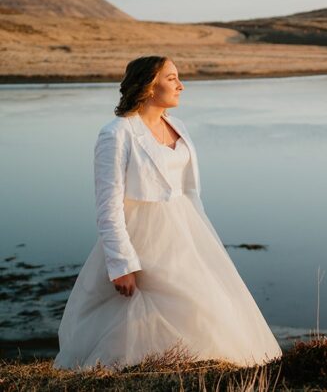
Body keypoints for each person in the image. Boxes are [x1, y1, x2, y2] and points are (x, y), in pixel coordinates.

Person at [54, 56, 282, 369]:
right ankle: (142, 369)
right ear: (149, 85)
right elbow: (108, 205)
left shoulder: (177, 126)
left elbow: (187, 188)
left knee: (210, 303)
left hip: (187, 231)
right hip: (143, 238)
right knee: (139, 318)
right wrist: (121, 262)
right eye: (172, 78)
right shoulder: (116, 134)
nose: (181, 85)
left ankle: (208, 366)